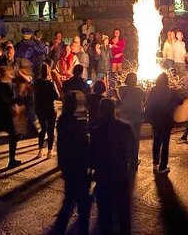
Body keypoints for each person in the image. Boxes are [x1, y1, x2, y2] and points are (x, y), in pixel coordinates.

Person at [90, 99, 137, 235]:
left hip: (104, 175)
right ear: (114, 109)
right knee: (123, 210)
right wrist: (131, 167)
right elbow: (133, 149)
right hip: (121, 173)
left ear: (101, 110)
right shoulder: (126, 127)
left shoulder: (96, 128)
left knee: (105, 211)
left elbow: (92, 152)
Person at [55, 91, 91, 235]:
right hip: (79, 164)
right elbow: (83, 143)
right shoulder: (78, 122)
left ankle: (60, 228)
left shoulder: (63, 119)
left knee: (69, 198)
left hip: (68, 163)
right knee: (82, 200)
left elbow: (62, 145)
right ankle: (83, 229)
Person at [144, 73, 183, 174]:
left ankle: (155, 164)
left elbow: (148, 103)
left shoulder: (153, 90)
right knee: (165, 142)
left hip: (156, 119)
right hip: (166, 119)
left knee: (157, 140)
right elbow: (180, 101)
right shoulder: (171, 91)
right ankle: (163, 166)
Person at [119, 72, 146, 169]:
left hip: (124, 119)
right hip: (136, 119)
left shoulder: (122, 89)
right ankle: (134, 161)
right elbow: (145, 97)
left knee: (125, 139)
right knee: (135, 140)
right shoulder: (139, 91)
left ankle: (124, 160)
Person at [35, 62, 60, 158]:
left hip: (40, 108)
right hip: (50, 108)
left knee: (42, 129)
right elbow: (56, 96)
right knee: (50, 130)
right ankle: (49, 151)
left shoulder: (37, 83)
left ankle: (40, 151)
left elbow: (36, 96)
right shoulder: (51, 83)